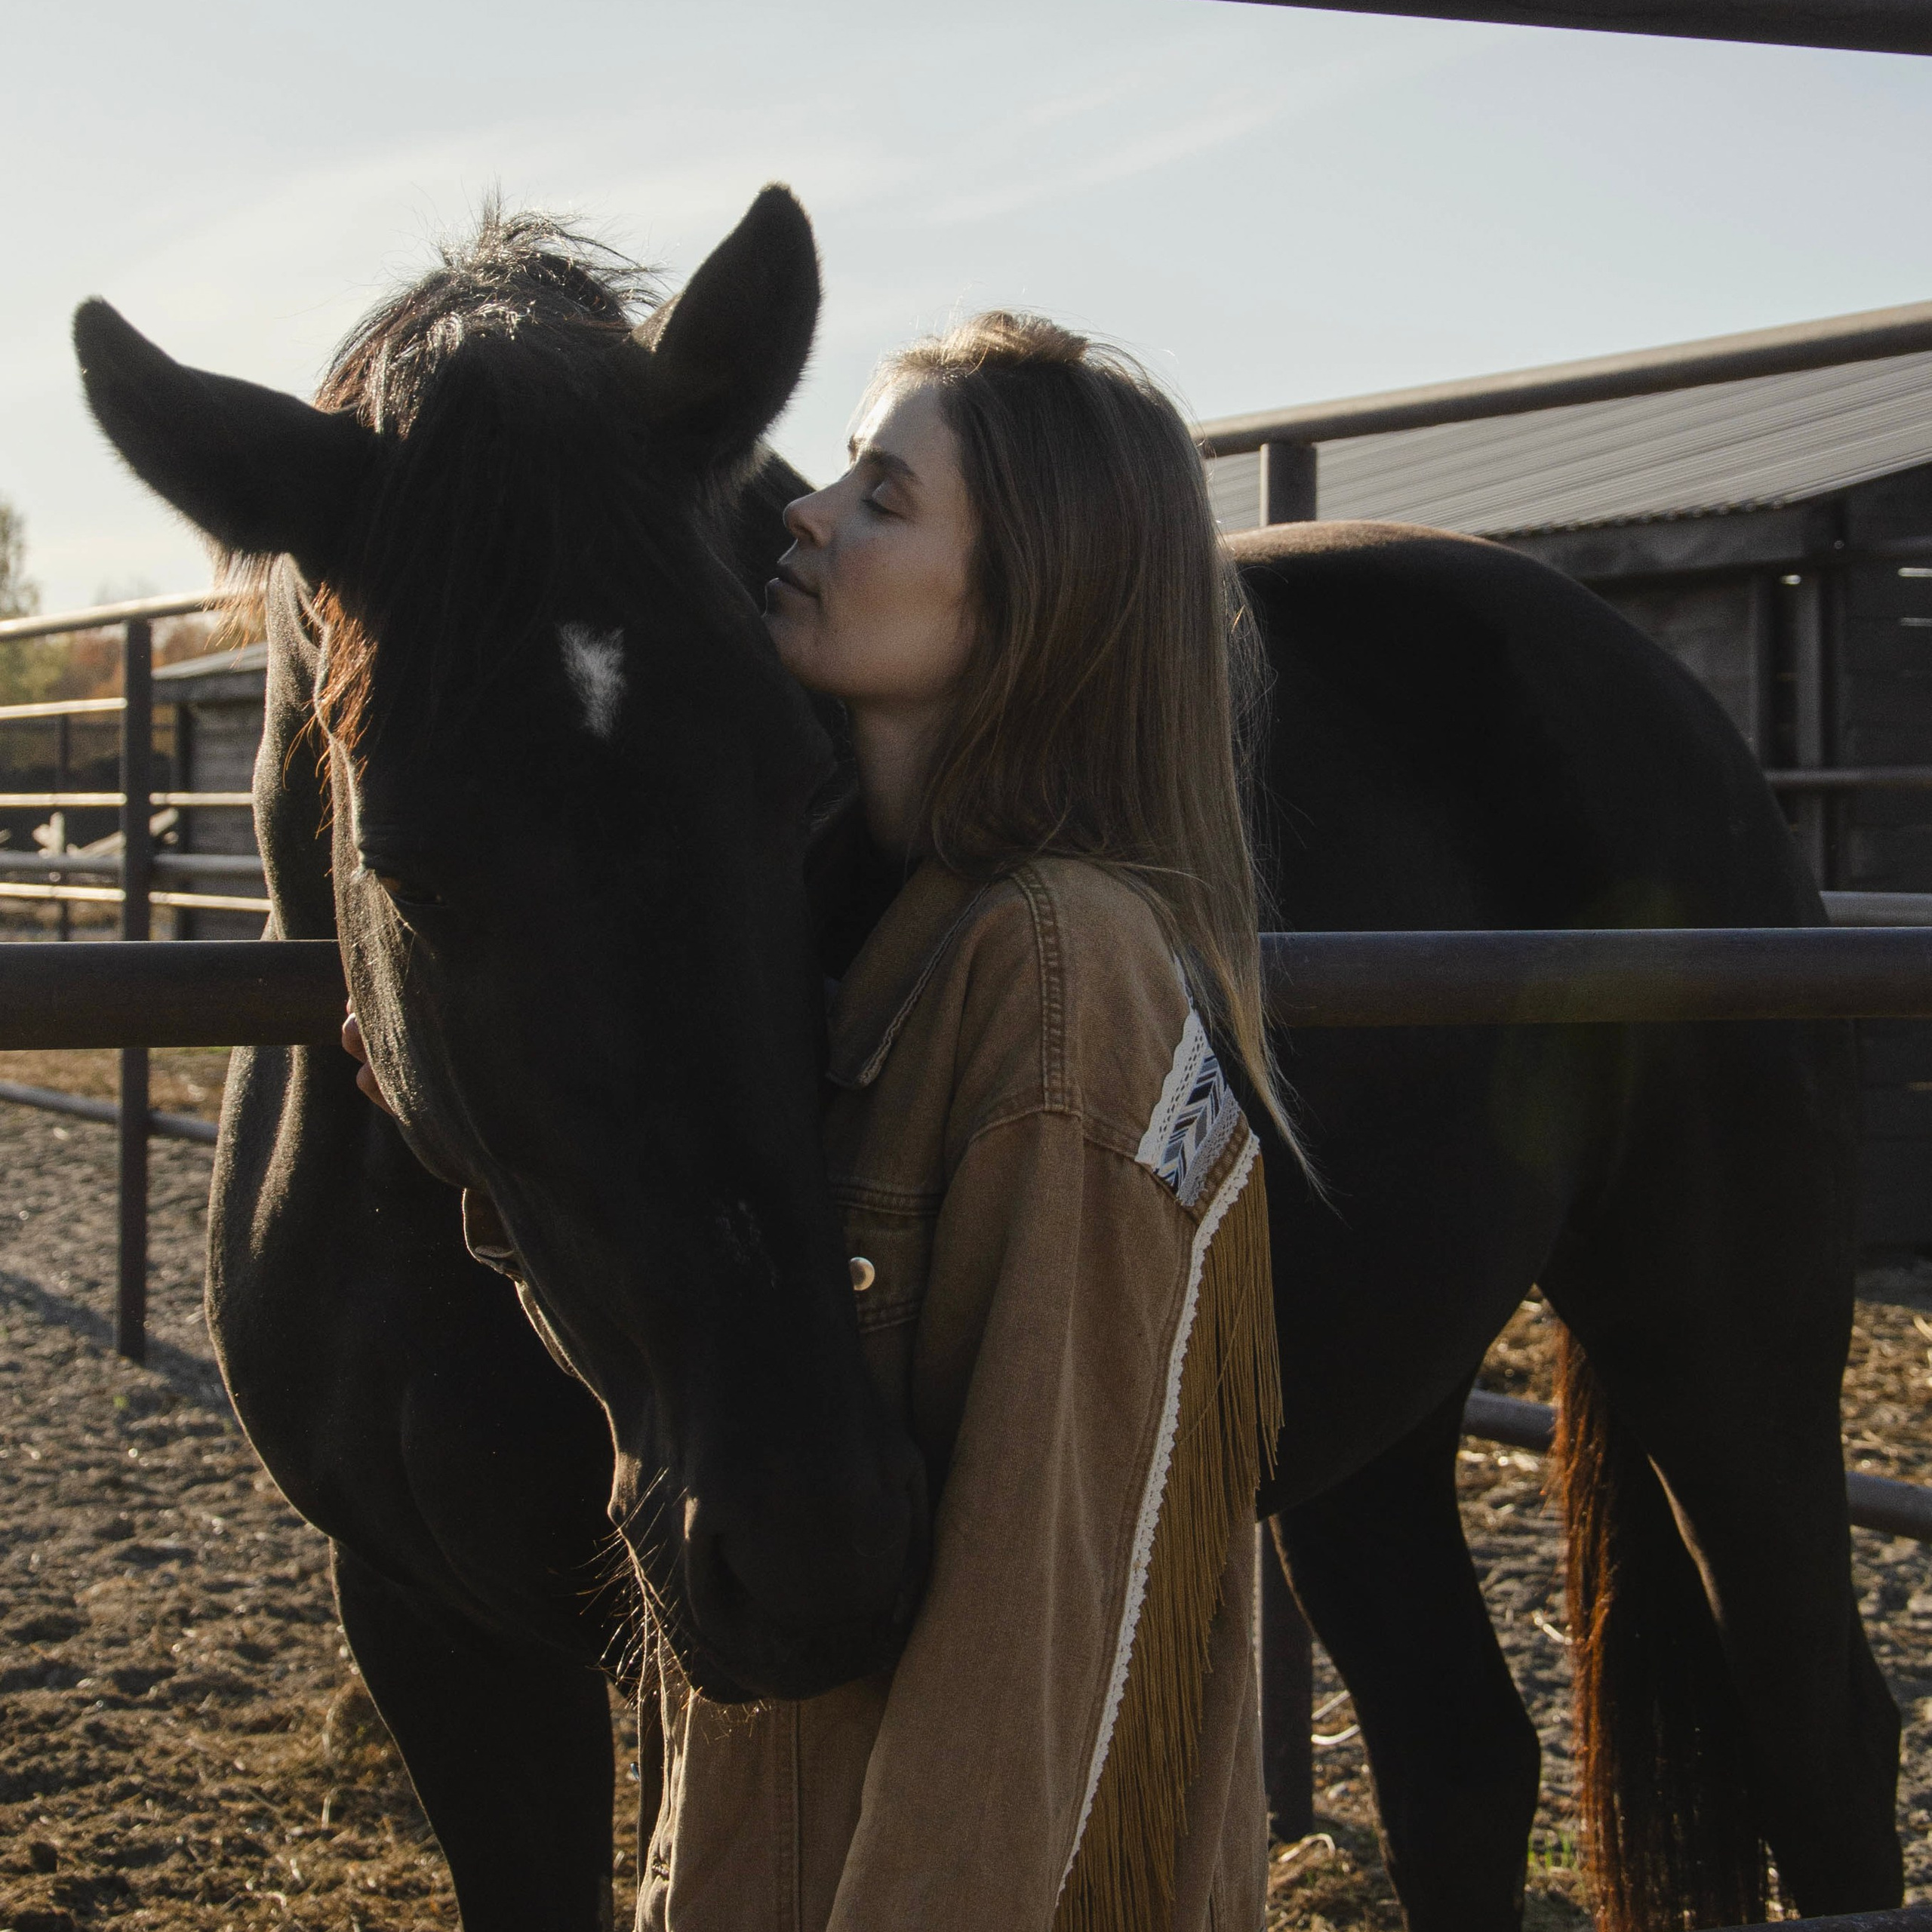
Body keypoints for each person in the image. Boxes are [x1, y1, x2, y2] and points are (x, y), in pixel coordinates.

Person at [349, 312, 1294, 1932]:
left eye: (881, 493)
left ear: (1029, 589)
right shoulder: (886, 944)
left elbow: (1034, 1620)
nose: (799, 509)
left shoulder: (1059, 972)